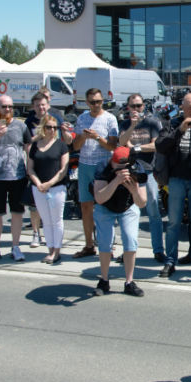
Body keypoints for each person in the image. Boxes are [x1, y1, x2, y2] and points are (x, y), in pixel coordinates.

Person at [155, 92, 191, 278]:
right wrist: (180, 130)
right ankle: (170, 261)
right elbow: (160, 145)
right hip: (176, 178)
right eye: (190, 107)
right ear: (182, 107)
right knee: (173, 222)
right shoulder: (172, 123)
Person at [0, 94, 33, 262]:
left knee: (17, 213)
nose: (8, 109)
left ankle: (15, 247)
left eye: (10, 106)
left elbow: (28, 149)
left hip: (17, 176)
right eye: (4, 106)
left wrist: (31, 170)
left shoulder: (21, 126)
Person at [118, 93, 166, 263]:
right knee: (129, 213)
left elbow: (156, 145)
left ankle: (158, 250)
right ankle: (128, 250)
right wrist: (132, 126)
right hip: (129, 172)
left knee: (153, 212)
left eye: (139, 105)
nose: (136, 109)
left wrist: (136, 147)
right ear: (128, 107)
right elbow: (122, 142)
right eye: (133, 106)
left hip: (148, 171)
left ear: (143, 106)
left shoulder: (152, 123)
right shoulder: (125, 124)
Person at [72, 88, 119, 259]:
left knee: (105, 207)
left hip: (103, 167)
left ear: (103, 101)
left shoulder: (110, 118)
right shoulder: (82, 119)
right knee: (86, 207)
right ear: (87, 103)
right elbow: (75, 146)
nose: (95, 105)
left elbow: (112, 146)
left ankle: (107, 246)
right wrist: (83, 137)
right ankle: (89, 245)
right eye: (92, 102)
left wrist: (98, 138)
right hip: (85, 166)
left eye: (98, 101)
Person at [23, 91, 73, 249]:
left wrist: (63, 130)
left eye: (43, 105)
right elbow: (27, 144)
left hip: (54, 169)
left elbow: (68, 141)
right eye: (37, 105)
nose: (41, 108)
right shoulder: (29, 121)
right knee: (35, 207)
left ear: (48, 105)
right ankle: (36, 233)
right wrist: (39, 137)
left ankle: (54, 246)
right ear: (33, 106)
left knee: (55, 216)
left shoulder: (56, 117)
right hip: (37, 165)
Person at [27, 114, 70, 264]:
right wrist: (39, 183)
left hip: (57, 188)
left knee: (57, 220)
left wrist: (49, 184)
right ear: (43, 128)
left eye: (55, 128)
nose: (52, 130)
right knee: (46, 221)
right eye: (49, 127)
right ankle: (50, 249)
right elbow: (30, 168)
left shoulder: (61, 145)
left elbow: (63, 170)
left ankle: (56, 251)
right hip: (38, 188)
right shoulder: (35, 145)